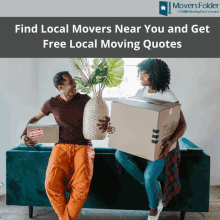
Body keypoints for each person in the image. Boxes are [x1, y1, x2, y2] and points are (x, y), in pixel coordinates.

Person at [98, 59, 187, 220]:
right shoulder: (140, 93)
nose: (141, 76)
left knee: (149, 176)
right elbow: (132, 117)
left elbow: (182, 124)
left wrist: (169, 142)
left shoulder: (168, 95)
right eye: (141, 72)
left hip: (162, 145)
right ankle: (150, 187)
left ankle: (153, 209)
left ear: (155, 75)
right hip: (142, 142)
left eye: (144, 73)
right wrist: (113, 124)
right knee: (119, 154)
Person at [21, 71, 95, 220]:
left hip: (84, 146)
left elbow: (100, 118)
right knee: (51, 184)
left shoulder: (86, 99)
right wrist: (24, 134)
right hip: (61, 146)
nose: (75, 84)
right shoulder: (51, 103)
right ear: (61, 86)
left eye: (74, 81)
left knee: (81, 187)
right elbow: (35, 119)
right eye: (70, 82)